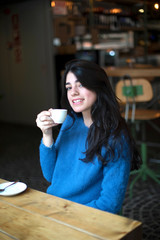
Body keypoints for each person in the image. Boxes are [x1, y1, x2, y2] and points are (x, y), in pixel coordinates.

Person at [36, 59, 141, 214]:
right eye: (69, 87)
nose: (73, 92)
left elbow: (110, 205)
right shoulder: (70, 122)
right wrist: (47, 134)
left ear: (98, 87)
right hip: (56, 206)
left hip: (86, 217)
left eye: (81, 85)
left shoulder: (116, 136)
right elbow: (52, 175)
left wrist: (65, 215)